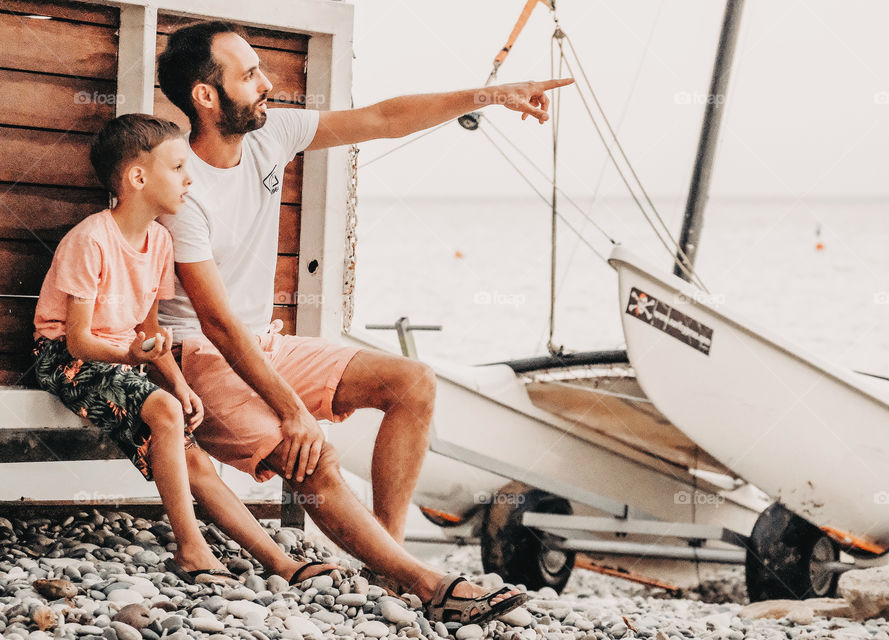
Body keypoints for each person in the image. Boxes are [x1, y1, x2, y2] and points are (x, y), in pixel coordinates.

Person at [156, 20, 571, 622]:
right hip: (198, 359)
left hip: (261, 344)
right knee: (311, 455)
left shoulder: (270, 135)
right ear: (206, 96)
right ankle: (426, 583)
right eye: (249, 75)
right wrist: (293, 411)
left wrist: (492, 94)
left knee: (413, 383)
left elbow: (382, 118)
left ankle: (389, 556)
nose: (268, 83)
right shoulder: (186, 194)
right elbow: (217, 325)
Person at [31, 114, 234, 585]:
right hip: (62, 357)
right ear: (138, 178)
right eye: (179, 166)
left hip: (119, 359)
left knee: (176, 421)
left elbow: (148, 331)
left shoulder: (160, 241)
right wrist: (134, 362)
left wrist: (180, 383)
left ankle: (279, 561)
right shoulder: (91, 239)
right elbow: (78, 340)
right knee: (161, 410)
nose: (189, 179)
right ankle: (191, 549)